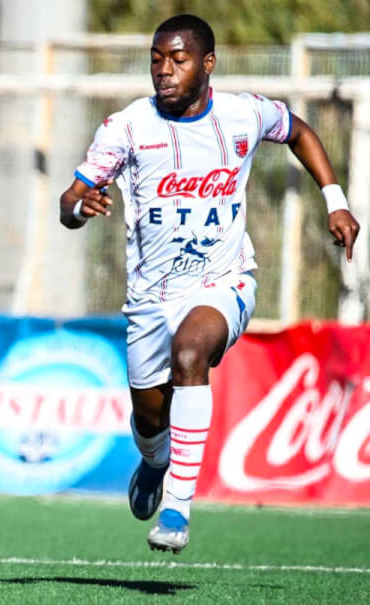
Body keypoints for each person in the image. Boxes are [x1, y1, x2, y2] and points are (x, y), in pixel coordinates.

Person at [59, 15, 360, 554]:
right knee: (150, 422)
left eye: (178, 59)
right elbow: (69, 201)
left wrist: (335, 201)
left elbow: (298, 130)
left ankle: (177, 506)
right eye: (156, 59)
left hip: (224, 280)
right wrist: (82, 207)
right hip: (150, 299)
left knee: (191, 352)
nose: (164, 71)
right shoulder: (127, 127)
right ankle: (155, 462)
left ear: (208, 64)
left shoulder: (242, 114)